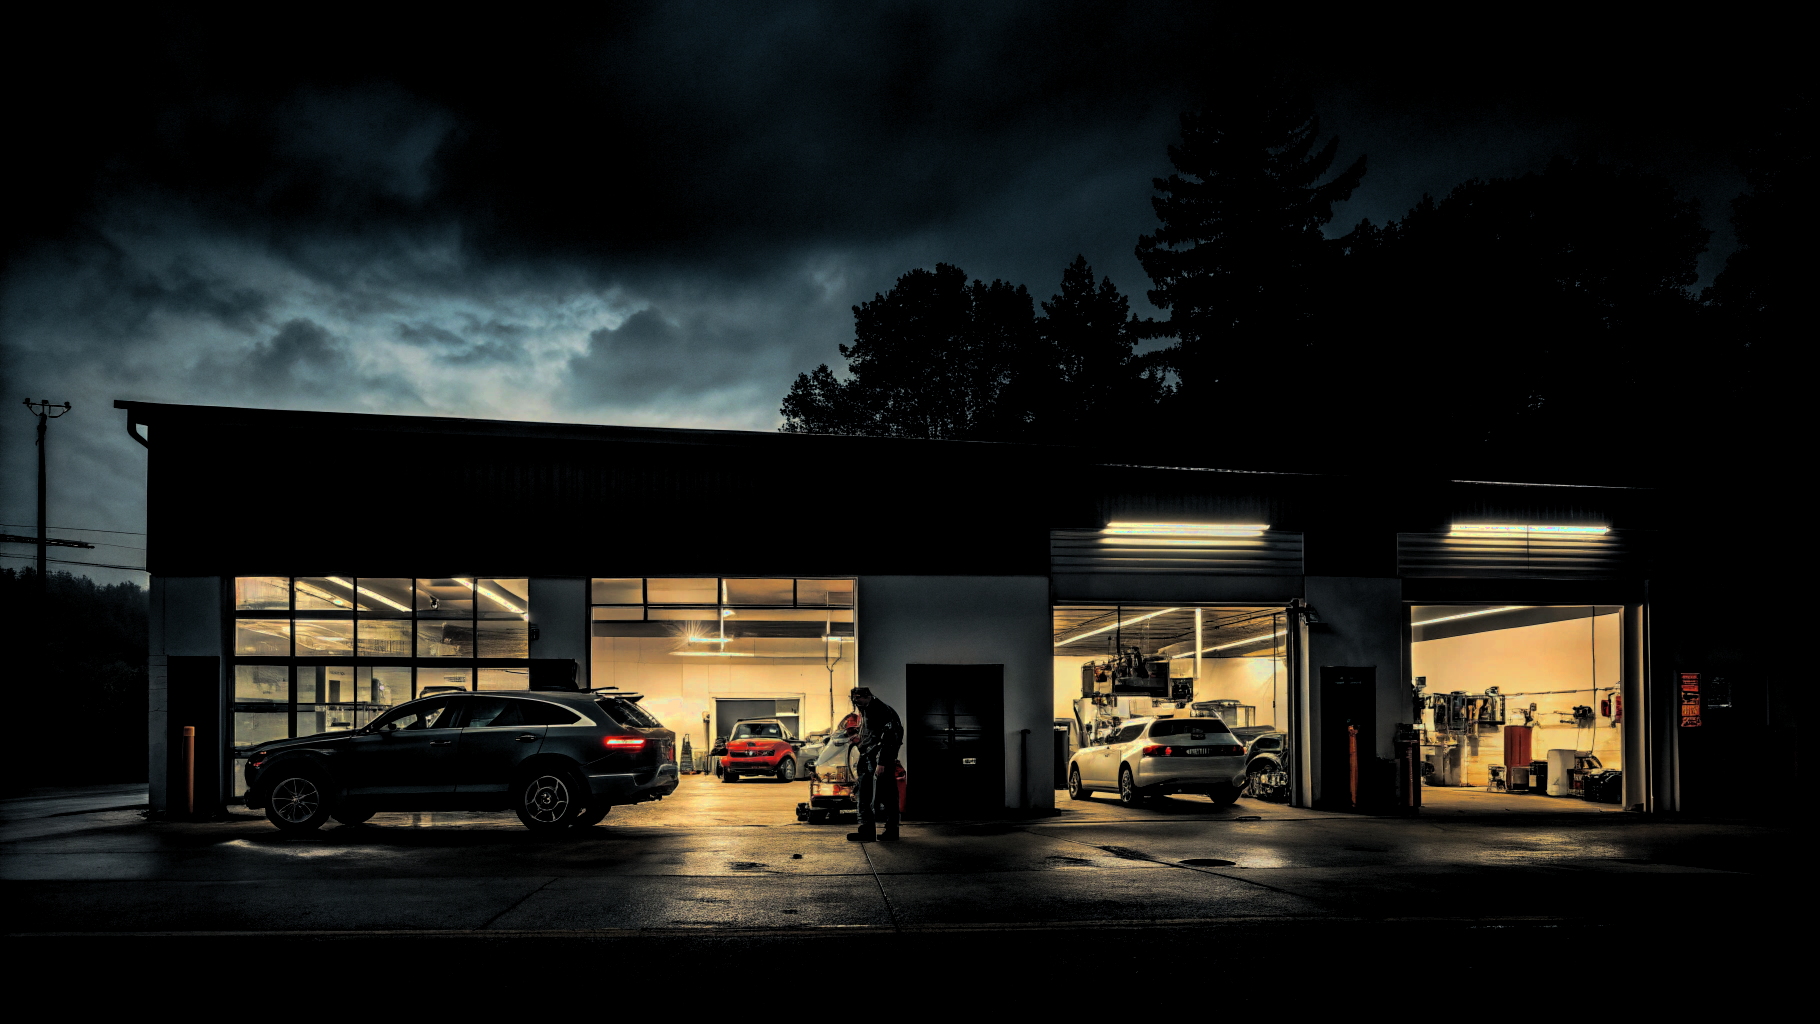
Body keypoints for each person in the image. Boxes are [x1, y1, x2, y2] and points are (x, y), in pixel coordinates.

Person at [847, 686, 903, 843]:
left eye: (858, 698)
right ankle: (867, 831)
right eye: (853, 699)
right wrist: (859, 740)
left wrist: (883, 762)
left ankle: (891, 830)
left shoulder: (881, 710)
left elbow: (892, 737)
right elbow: (872, 734)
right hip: (869, 757)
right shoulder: (866, 709)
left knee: (887, 794)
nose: (855, 702)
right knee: (864, 793)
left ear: (868, 696)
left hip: (879, 760)